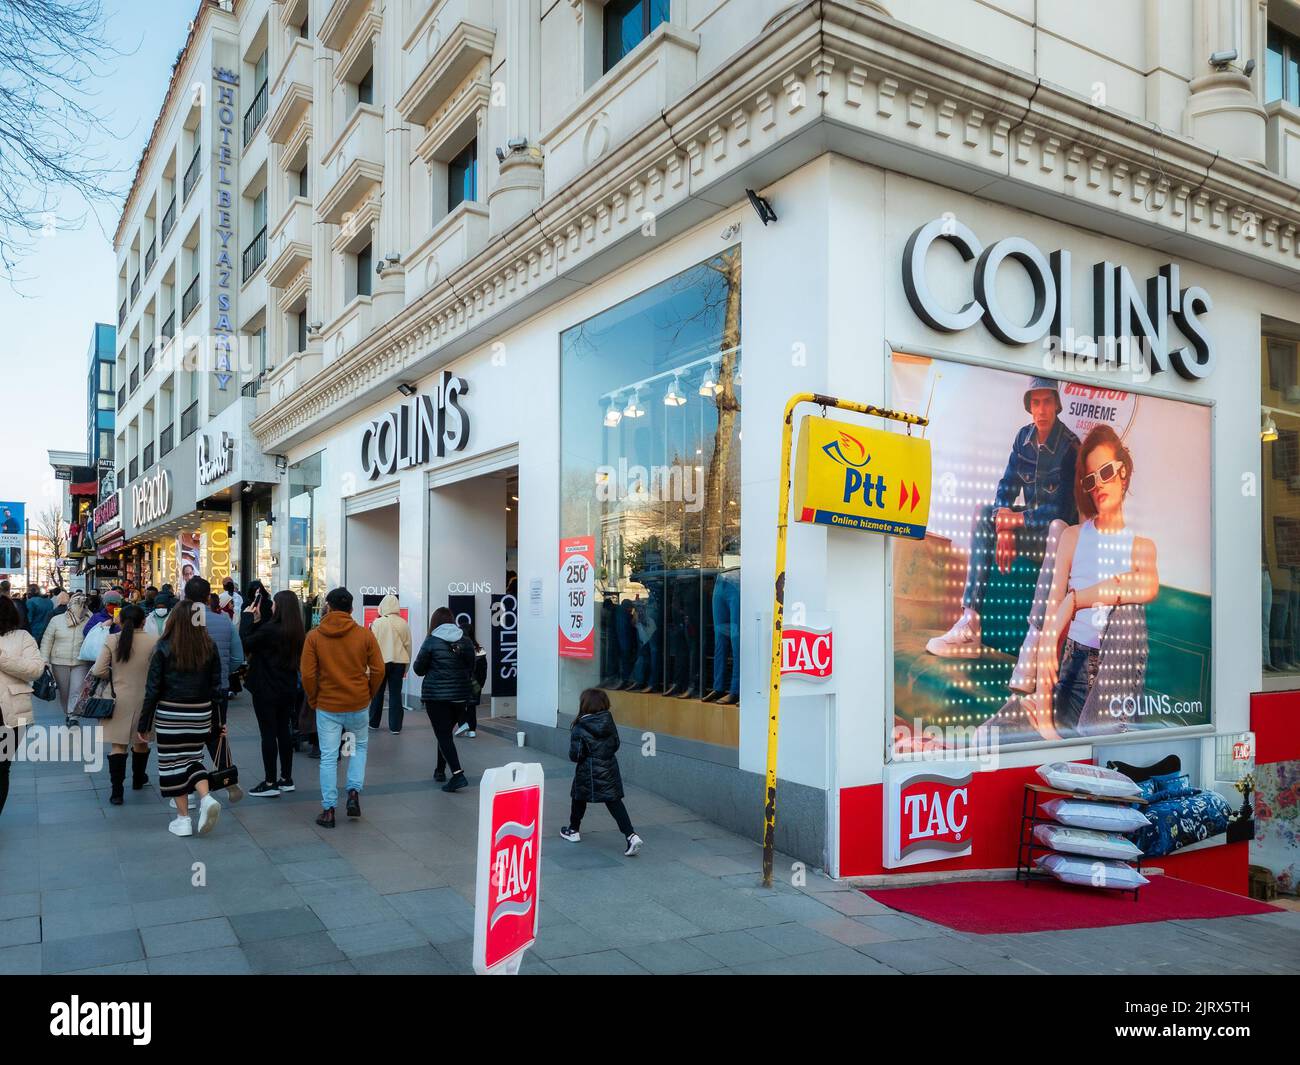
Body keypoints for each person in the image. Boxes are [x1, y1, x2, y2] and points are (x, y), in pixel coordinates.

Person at [926, 377, 1080, 659]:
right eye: (1036, 402)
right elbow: (1006, 487)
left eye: (1047, 402)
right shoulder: (1023, 438)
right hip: (1029, 532)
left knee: (1057, 525)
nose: (1042, 409)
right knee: (984, 513)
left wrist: (1014, 522)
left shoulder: (1070, 446)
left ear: (1057, 405)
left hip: (1057, 541)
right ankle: (970, 624)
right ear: (1029, 406)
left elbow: (1061, 510)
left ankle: (1035, 641)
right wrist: (1004, 525)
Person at [1022, 425, 1159, 739]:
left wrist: (1075, 600)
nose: (1098, 484)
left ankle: (1101, 736)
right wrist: (1045, 721)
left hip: (1115, 671)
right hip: (1071, 667)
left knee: (1127, 610)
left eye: (1107, 472)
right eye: (1090, 478)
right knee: (998, 729)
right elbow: (1051, 632)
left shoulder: (1142, 548)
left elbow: (1145, 588)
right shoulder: (1071, 537)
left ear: (1124, 473)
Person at [137, 588, 225, 837]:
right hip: (201, 713)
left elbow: (152, 689)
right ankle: (206, 797)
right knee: (193, 759)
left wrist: (144, 723)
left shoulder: (163, 647)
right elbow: (217, 688)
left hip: (170, 714)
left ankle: (183, 819)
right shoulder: (209, 646)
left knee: (171, 765)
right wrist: (219, 721)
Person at [300, 587, 384, 827]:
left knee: (328, 757)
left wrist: (314, 698)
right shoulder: (364, 635)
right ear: (351, 609)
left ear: (328, 607)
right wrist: (368, 693)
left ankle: (328, 810)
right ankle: (353, 793)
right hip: (357, 703)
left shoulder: (314, 637)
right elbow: (379, 669)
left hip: (327, 705)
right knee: (358, 749)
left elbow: (307, 674)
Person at [559, 688, 643, 856]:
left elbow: (575, 755)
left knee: (578, 797)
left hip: (587, 769)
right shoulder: (608, 721)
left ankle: (573, 830)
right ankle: (631, 835)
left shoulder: (579, 726)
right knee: (614, 801)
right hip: (609, 766)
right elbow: (616, 744)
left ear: (584, 704)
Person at [240, 588, 306, 797]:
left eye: (275, 603)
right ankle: (286, 778)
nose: (272, 606)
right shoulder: (297, 631)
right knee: (283, 732)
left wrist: (248, 618)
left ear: (281, 607)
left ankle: (270, 782)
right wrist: (259, 622)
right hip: (287, 688)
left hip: (265, 688)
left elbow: (246, 641)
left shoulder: (271, 630)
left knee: (268, 734)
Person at [90, 604, 158, 804]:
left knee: (118, 746)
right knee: (141, 742)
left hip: (117, 698)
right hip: (146, 699)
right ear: (143, 621)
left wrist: (114, 675)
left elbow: (98, 670)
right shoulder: (154, 641)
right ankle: (138, 779)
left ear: (120, 621)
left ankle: (117, 792)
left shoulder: (112, 640)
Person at [413, 607, 476, 792]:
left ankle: (458, 774)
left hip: (437, 696)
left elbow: (418, 669)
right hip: (460, 696)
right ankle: (440, 770)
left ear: (434, 622)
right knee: (445, 733)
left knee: (443, 735)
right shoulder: (465, 641)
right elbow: (470, 667)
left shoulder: (431, 641)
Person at [191, 578, 243, 785]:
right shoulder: (223, 621)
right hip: (219, 688)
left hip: (188, 690)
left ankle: (193, 786)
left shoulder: (180, 619)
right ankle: (227, 776)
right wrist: (223, 671)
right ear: (208, 597)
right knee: (217, 732)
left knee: (190, 738)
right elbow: (238, 658)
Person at [0, 596, 44, 818]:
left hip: (12, 714)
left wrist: (2, 659)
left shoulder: (22, 637)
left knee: (1, 767)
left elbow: (35, 670)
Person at [41, 591, 90, 726]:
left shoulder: (89, 619)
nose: (79, 607)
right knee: (64, 691)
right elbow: (47, 640)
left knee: (77, 689)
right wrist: (44, 659)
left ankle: (72, 716)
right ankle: (67, 712)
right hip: (59, 661)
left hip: (81, 661)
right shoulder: (56, 620)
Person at [368, 593, 412, 733]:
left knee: (377, 693)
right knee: (395, 694)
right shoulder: (403, 623)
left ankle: (374, 723)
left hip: (380, 662)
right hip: (399, 662)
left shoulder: (377, 623)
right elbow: (408, 646)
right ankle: (395, 727)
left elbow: (371, 646)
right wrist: (407, 666)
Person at [453, 618, 487, 738]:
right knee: (472, 706)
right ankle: (472, 729)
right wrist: (480, 684)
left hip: (462, 681)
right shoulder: (480, 650)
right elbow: (484, 669)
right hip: (475, 683)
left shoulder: (457, 648)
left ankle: (463, 724)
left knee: (460, 704)